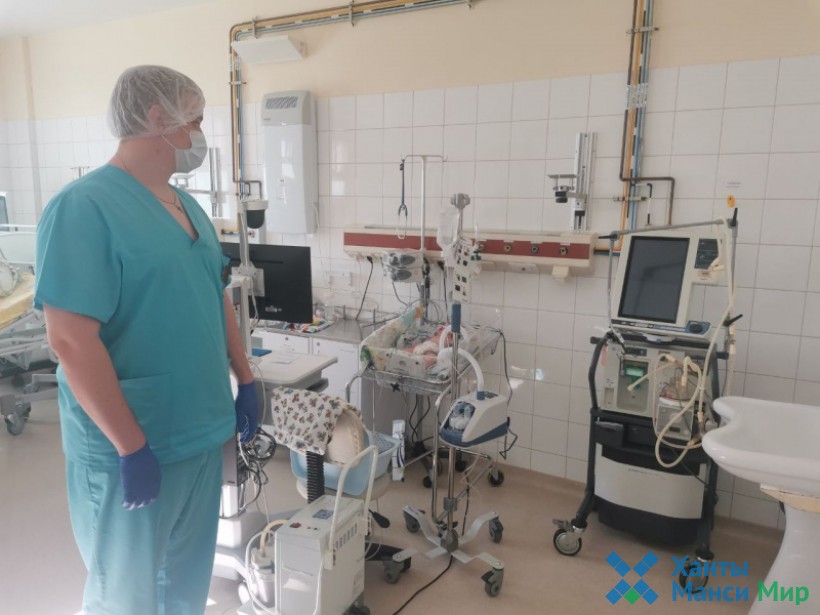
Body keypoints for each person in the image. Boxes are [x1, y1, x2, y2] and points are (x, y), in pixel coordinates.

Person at [34, 65, 260, 615]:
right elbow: (69, 339)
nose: (199, 135)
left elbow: (214, 294)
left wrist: (245, 376)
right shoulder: (84, 208)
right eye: (195, 121)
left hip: (200, 430)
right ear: (158, 118)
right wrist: (130, 444)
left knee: (184, 588)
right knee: (126, 597)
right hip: (134, 441)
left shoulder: (187, 207)